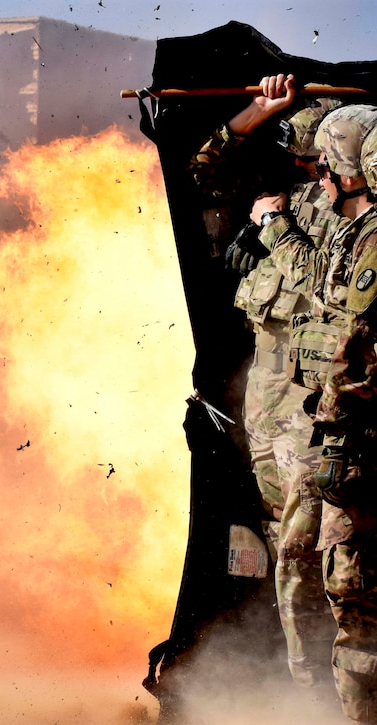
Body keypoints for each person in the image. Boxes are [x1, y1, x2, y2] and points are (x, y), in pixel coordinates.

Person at [189, 74, 342, 700]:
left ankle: (328, 691)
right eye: (303, 156)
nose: (307, 167)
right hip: (268, 423)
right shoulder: (277, 200)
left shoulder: (350, 223)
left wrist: (278, 226)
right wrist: (259, 108)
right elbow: (204, 170)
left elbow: (328, 295)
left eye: (315, 157)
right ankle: (306, 689)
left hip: (318, 426)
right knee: (285, 560)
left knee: (329, 567)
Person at [310, 102, 377, 723]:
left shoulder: (374, 239)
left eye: (327, 162)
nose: (319, 174)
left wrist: (334, 428)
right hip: (352, 443)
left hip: (363, 451)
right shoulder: (348, 231)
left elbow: (354, 352)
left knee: (356, 611)